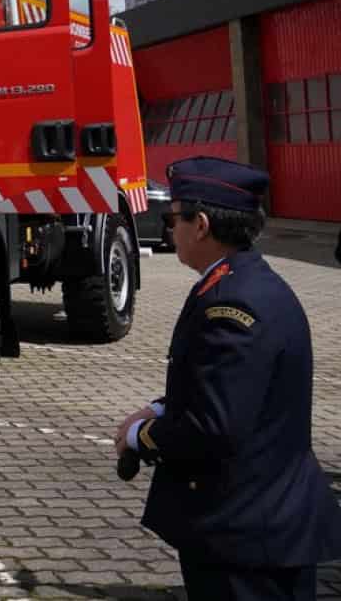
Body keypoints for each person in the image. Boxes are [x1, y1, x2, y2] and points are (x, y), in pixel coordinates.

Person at [114, 156, 341, 600]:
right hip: (259, 524)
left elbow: (214, 427)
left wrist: (142, 435)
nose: (167, 228)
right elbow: (231, 385)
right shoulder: (242, 282)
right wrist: (161, 407)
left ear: (200, 224)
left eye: (172, 216)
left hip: (246, 534)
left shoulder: (233, 306)